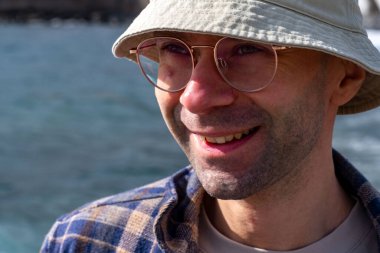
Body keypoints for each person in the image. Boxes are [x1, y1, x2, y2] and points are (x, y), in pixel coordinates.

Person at [41, 0, 380, 252]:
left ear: (344, 78)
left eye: (248, 49)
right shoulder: (88, 240)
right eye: (174, 48)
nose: (195, 97)